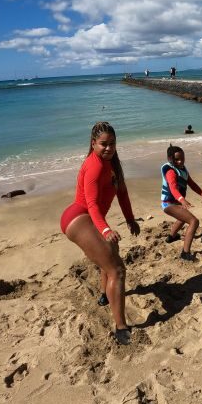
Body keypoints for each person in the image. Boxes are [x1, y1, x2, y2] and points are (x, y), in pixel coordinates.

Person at [59, 122, 140, 345]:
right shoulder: (94, 165)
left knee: (112, 252)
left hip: (88, 219)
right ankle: (121, 327)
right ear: (93, 143)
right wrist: (105, 229)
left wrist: (130, 219)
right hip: (78, 218)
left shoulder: (113, 164)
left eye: (112, 144)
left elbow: (122, 194)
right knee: (117, 269)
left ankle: (105, 295)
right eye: (103, 144)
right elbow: (92, 204)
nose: (108, 148)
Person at [161, 144, 202, 261]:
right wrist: (182, 200)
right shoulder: (170, 171)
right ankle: (185, 253)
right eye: (177, 159)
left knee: (183, 217)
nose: (180, 162)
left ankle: (171, 237)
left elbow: (192, 183)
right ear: (170, 159)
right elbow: (173, 188)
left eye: (182, 159)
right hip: (168, 203)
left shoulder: (182, 169)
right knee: (194, 221)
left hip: (176, 203)